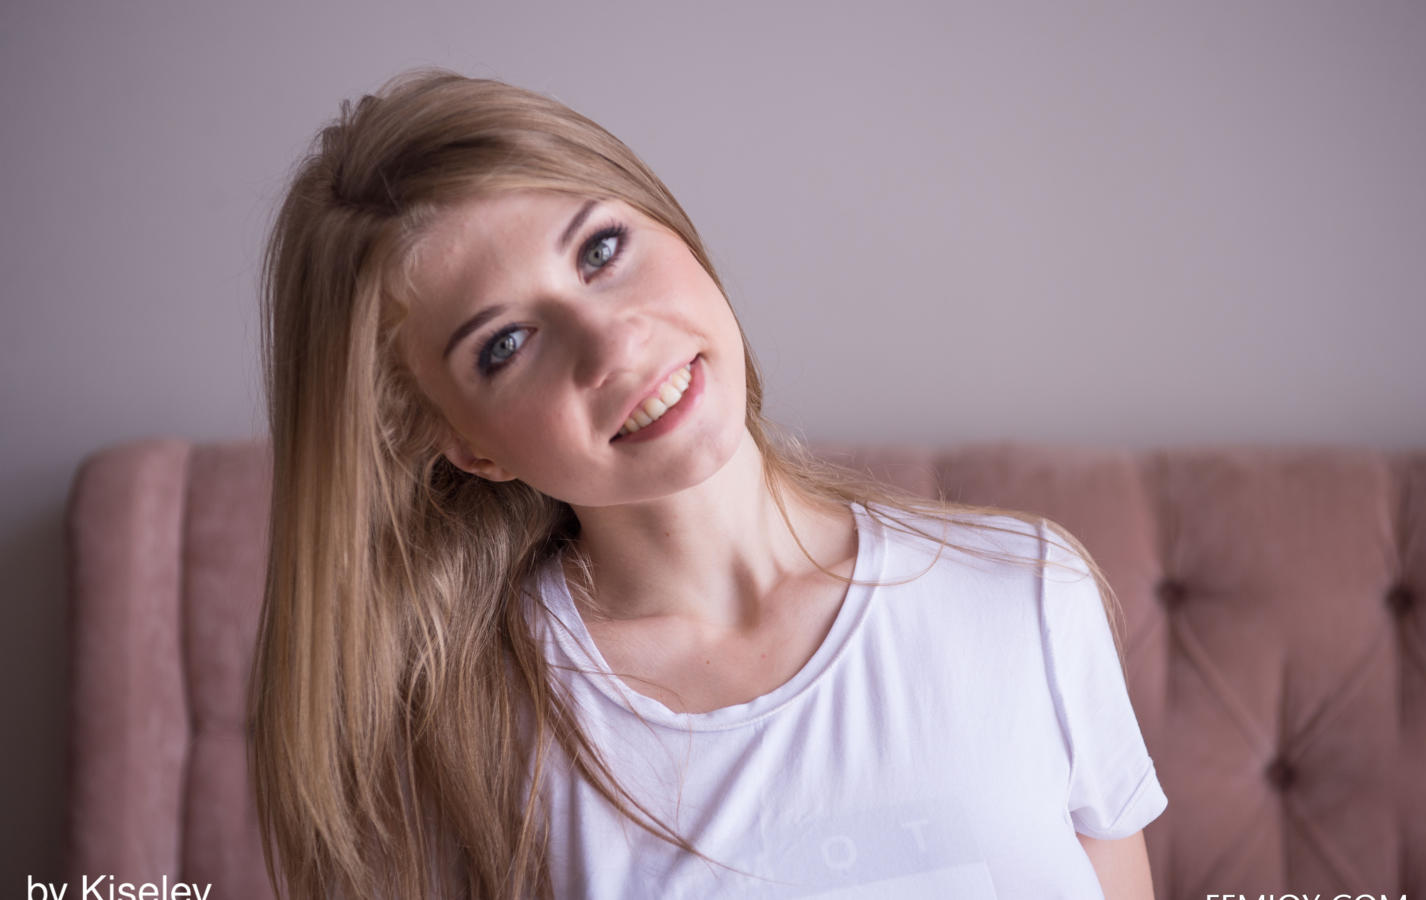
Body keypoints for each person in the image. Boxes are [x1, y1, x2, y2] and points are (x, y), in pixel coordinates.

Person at [248, 67, 1168, 899]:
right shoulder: (470, 739)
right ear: (470, 447)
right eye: (507, 343)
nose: (614, 343)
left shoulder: (1024, 592)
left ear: (673, 227)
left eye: (601, 250)